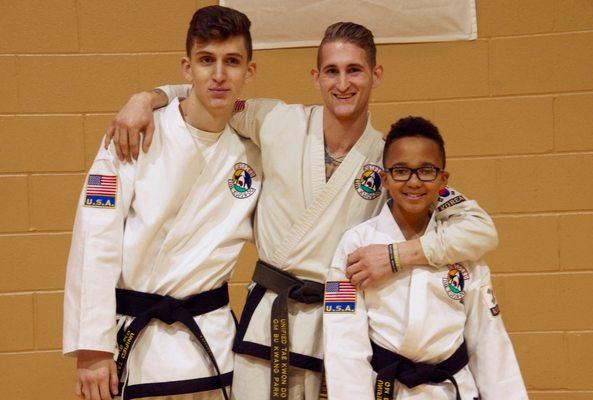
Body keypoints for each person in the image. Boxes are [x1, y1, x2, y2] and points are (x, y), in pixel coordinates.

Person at [105, 22, 498, 400]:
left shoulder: (390, 158)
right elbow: (210, 91)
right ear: (316, 77)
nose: (342, 83)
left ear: (375, 75)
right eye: (332, 71)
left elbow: (480, 230)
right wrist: (148, 97)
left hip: (342, 324)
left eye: (354, 71)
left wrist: (397, 256)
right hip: (269, 320)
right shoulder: (276, 119)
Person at [63, 6, 260, 400]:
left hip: (212, 346)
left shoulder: (255, 150)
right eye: (207, 61)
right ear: (187, 68)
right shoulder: (132, 135)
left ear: (249, 71)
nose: (219, 75)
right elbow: (94, 241)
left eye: (232, 62)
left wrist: (149, 93)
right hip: (137, 345)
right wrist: (92, 349)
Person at [323, 117, 527, 400]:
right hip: (385, 389)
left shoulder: (459, 246)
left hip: (452, 390)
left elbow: (489, 341)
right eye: (401, 171)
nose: (414, 182)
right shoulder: (356, 244)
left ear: (443, 180)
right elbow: (344, 344)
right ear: (384, 179)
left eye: (426, 171)